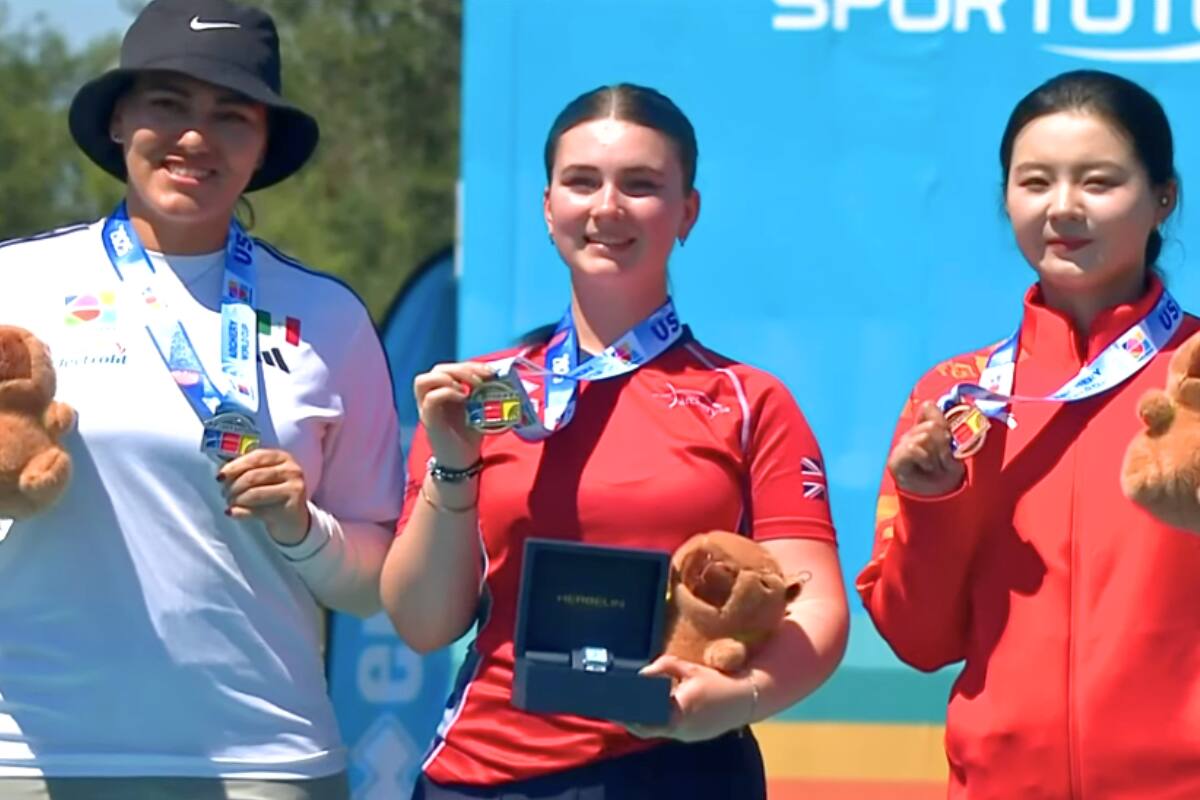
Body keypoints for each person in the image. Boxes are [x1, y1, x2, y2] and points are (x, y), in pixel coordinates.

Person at [381, 83, 849, 800]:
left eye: (641, 185)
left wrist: (740, 697)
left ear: (686, 212)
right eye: (581, 183)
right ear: (547, 207)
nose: (607, 207)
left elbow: (813, 607)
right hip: (483, 773)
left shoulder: (749, 401)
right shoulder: (475, 396)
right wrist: (453, 464)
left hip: (679, 765)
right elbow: (422, 623)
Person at [0, 1, 403, 798]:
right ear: (119, 120)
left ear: (263, 146)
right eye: (169, 103)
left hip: (268, 758)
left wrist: (304, 529)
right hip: (37, 755)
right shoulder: (17, 285)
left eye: (231, 115)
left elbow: (373, 583)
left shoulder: (329, 318)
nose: (196, 136)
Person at [858, 69, 1199, 799]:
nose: (1063, 209)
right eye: (1035, 182)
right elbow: (919, 642)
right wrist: (933, 503)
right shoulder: (955, 398)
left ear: (1163, 198)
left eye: (1099, 182)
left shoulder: (1194, 382)